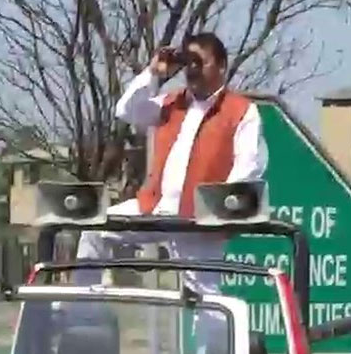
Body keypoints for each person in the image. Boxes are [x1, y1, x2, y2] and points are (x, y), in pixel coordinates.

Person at [76, 32, 267, 294]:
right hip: (155, 208)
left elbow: (248, 166)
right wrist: (154, 73)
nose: (193, 69)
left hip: (199, 219)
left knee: (204, 297)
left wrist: (220, 212)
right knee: (95, 230)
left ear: (221, 66)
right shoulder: (172, 102)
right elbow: (126, 110)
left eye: (200, 62)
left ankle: (216, 335)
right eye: (189, 62)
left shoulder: (241, 110)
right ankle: (82, 315)